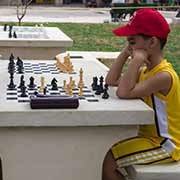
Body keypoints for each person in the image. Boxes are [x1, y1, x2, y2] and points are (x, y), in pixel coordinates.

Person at [102, 8, 180, 180]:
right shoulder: (146, 71)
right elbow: (111, 80)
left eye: (132, 41)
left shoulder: (164, 76)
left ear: (151, 43)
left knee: (109, 159)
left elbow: (123, 92)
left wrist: (136, 60)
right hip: (148, 138)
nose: (129, 46)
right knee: (107, 151)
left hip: (165, 144)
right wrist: (125, 54)